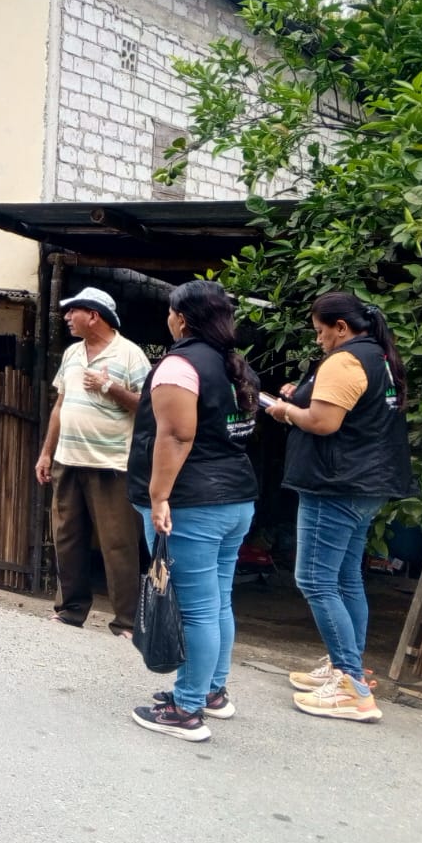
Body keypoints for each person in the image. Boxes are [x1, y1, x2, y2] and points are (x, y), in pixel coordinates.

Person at [268, 293, 415, 723]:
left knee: (315, 579)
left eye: (320, 331)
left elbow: (324, 421)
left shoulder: (346, 360)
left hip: (336, 485)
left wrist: (285, 410)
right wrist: (301, 395)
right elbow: (349, 409)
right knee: (347, 576)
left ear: (341, 327)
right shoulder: (380, 356)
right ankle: (345, 668)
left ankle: (351, 685)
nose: (319, 340)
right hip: (366, 483)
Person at [127, 280, 259, 742]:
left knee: (197, 608)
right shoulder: (234, 364)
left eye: (170, 311)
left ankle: (186, 709)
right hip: (234, 499)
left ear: (181, 318)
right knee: (217, 600)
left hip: (191, 504)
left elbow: (177, 435)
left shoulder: (180, 366)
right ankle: (211, 691)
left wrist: (159, 495)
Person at [34, 286, 151, 638]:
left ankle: (127, 622)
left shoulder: (131, 355)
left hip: (112, 464)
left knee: (119, 543)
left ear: (94, 315)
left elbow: (148, 407)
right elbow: (60, 405)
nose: (67, 317)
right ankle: (70, 610)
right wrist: (46, 452)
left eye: (74, 311)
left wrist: (108, 386)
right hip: (68, 460)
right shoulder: (72, 353)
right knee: (66, 537)